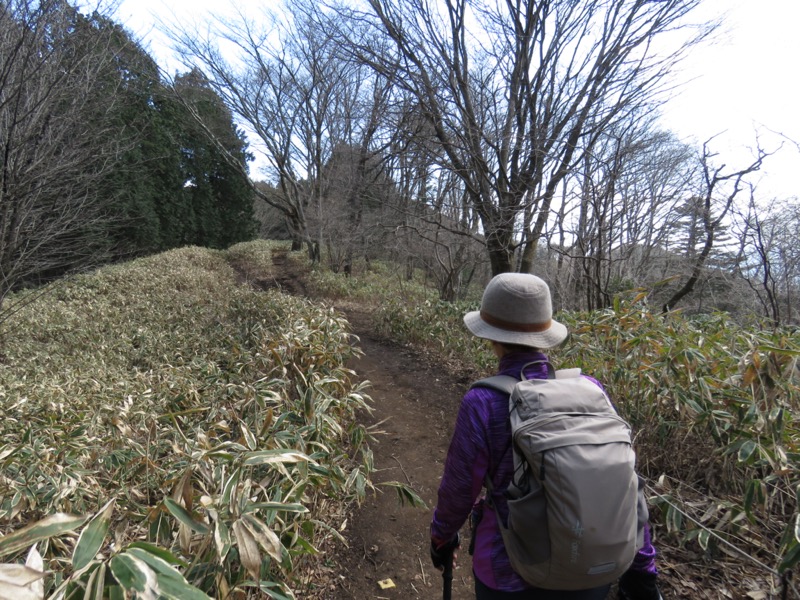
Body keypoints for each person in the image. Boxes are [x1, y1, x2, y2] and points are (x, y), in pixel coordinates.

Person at [429, 273, 663, 600]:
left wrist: (441, 538)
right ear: (546, 335)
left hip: (506, 572)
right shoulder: (591, 391)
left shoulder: (483, 402)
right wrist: (643, 567)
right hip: (588, 570)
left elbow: (458, 490)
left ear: (491, 338)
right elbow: (624, 485)